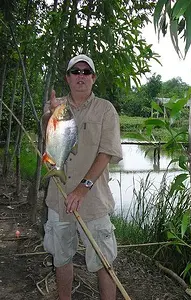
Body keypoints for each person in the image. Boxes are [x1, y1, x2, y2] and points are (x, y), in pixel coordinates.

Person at [42, 54, 123, 300]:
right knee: (62, 257)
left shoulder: (105, 109)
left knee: (104, 261)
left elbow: (108, 152)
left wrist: (82, 188)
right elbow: (48, 138)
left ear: (93, 78)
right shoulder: (56, 107)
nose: (81, 76)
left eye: (86, 72)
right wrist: (49, 116)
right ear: (68, 78)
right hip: (59, 197)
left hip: (94, 200)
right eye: (75, 72)